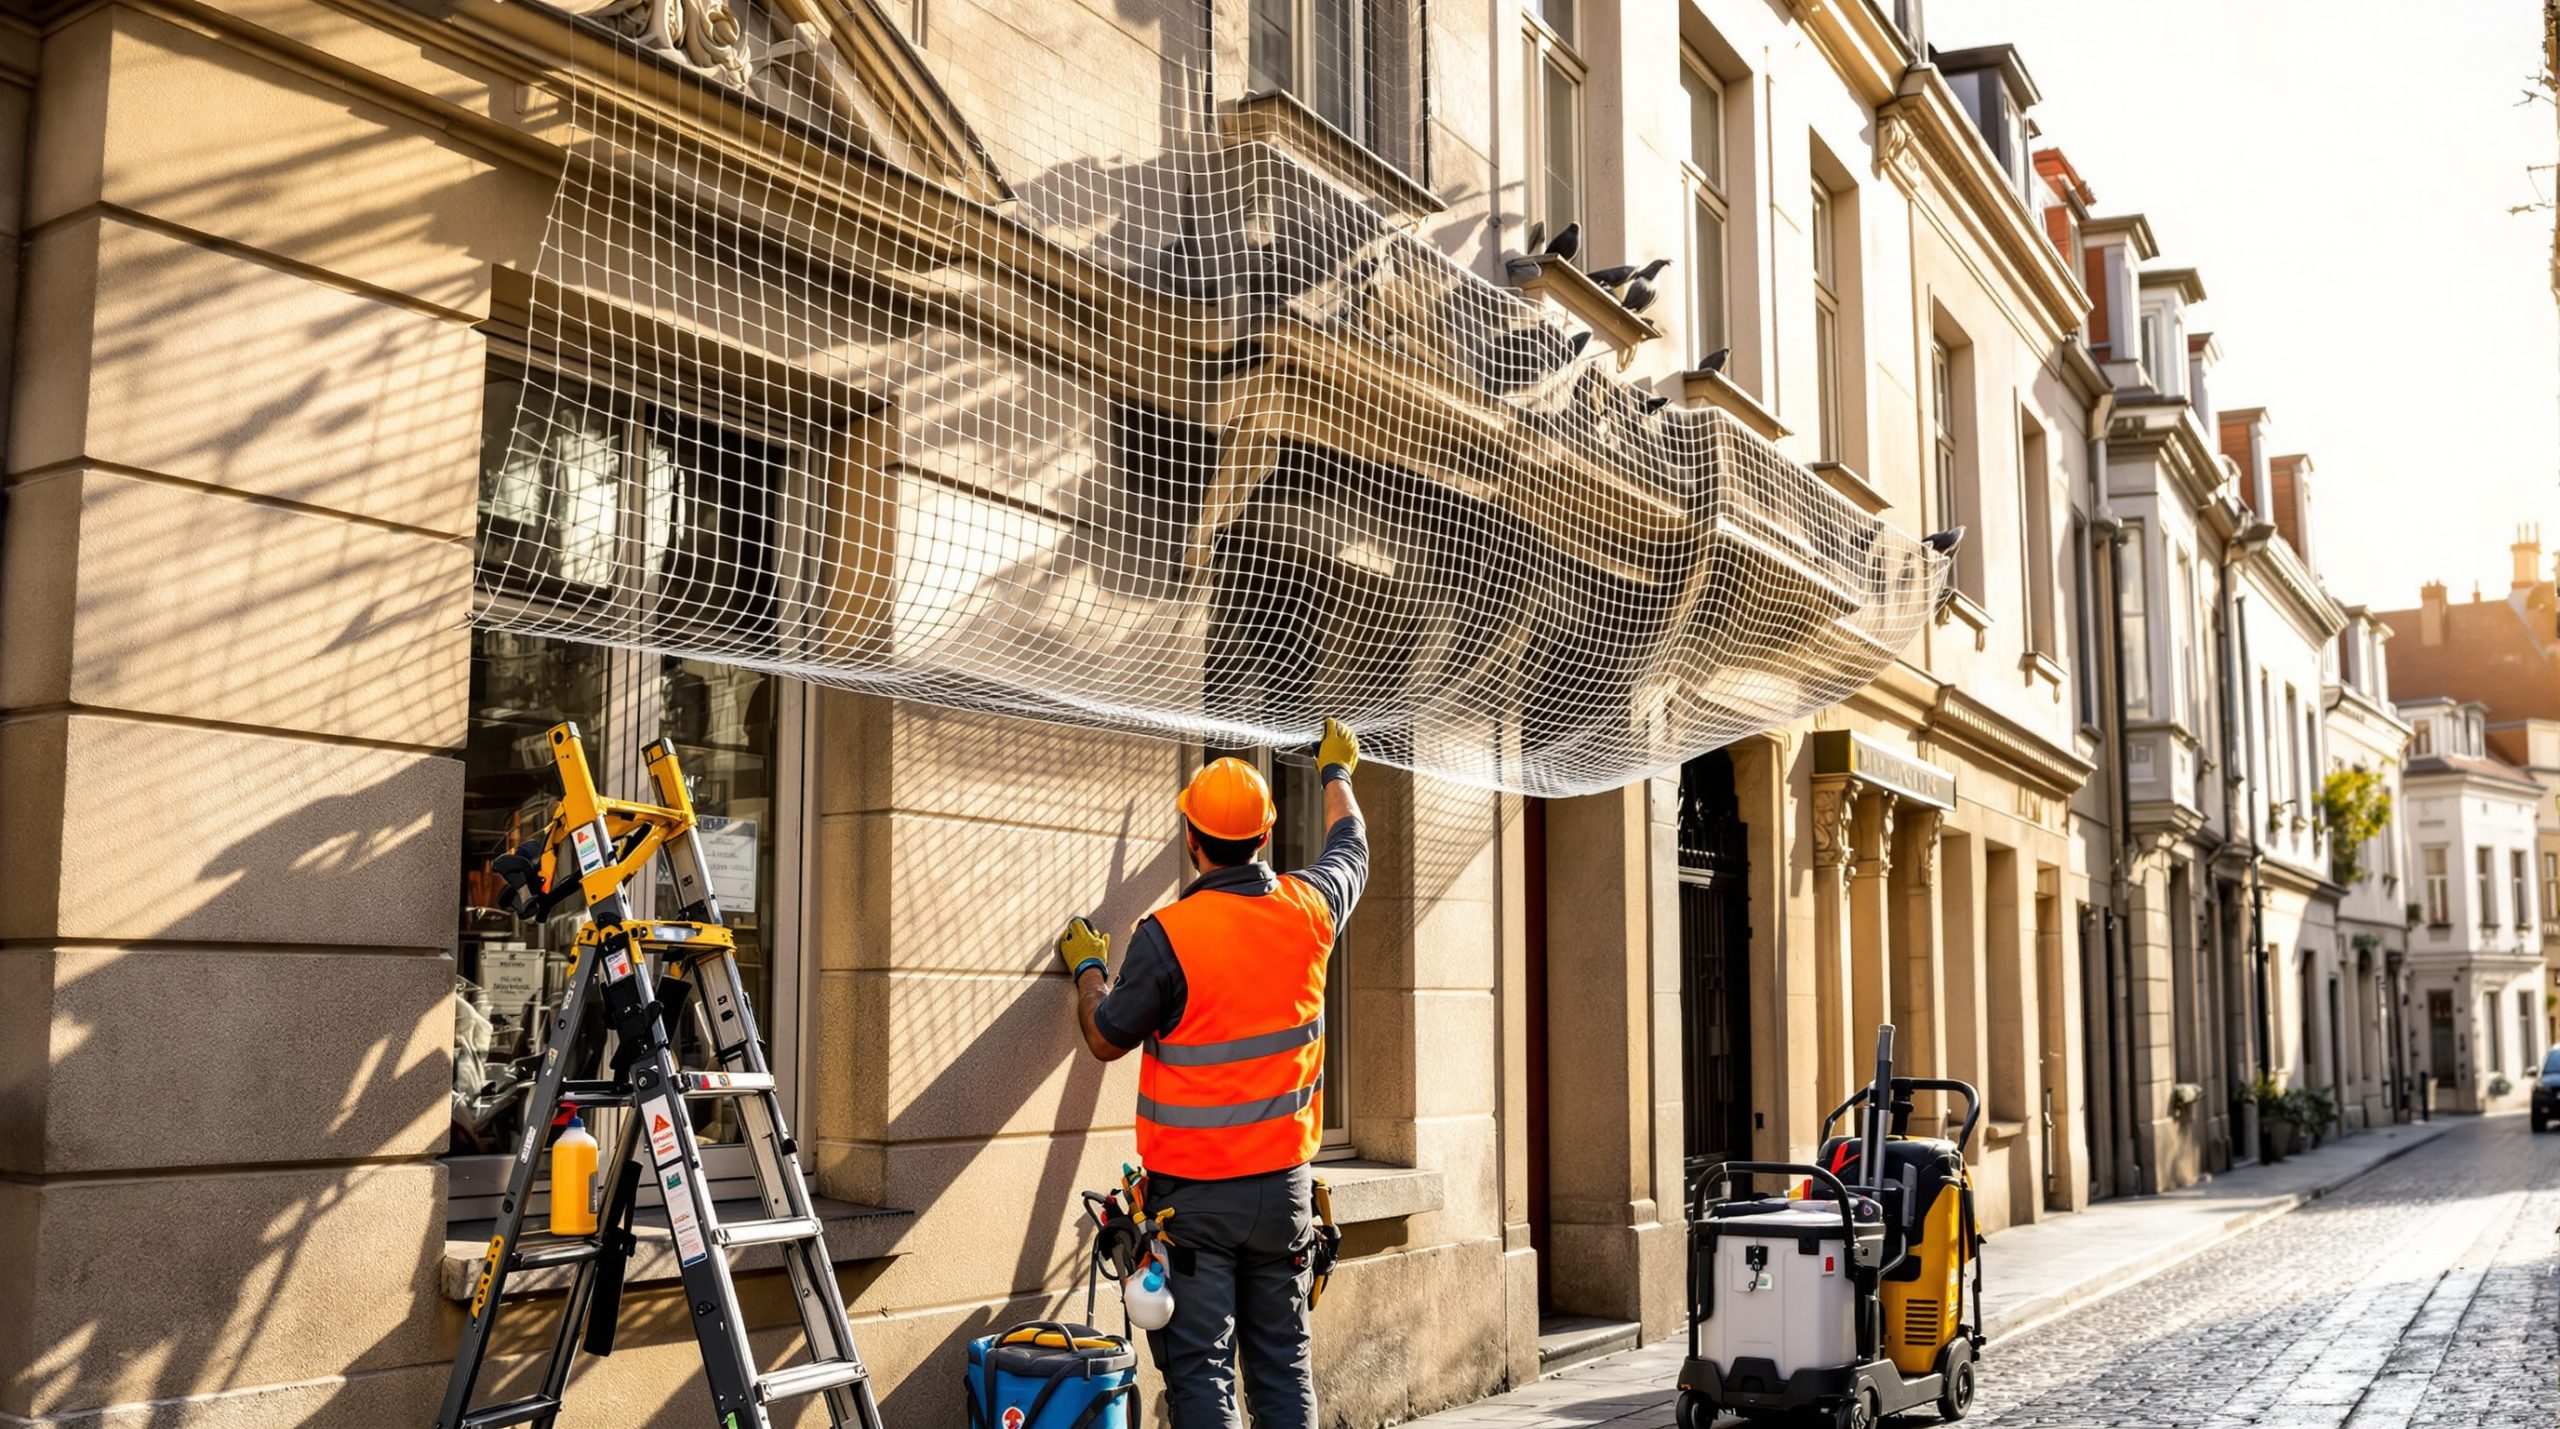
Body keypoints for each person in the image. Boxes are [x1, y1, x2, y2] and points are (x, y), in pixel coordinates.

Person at [1056, 718, 1368, 1429]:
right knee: (1283, 1367)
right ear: (1266, 835)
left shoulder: (1167, 936)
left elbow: (1104, 1036)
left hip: (1193, 1203)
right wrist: (1336, 772)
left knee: (1201, 1374)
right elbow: (1351, 845)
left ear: (1192, 839)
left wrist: (1090, 970)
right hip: (1283, 1194)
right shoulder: (1309, 909)